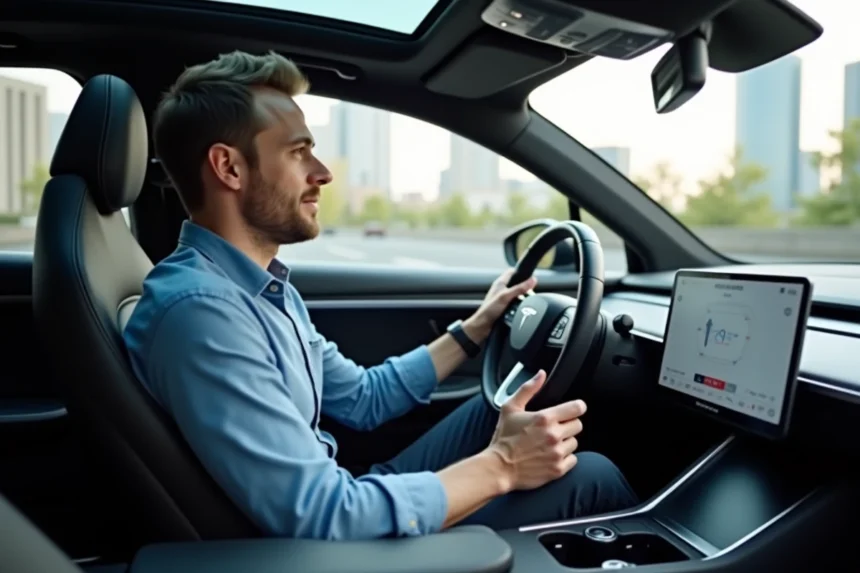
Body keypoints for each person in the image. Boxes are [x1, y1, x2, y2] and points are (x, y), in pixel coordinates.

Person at [123, 50, 638, 541]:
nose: (322, 173)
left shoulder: (259, 289)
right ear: (229, 168)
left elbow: (364, 398)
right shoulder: (204, 313)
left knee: (501, 406)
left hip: (340, 500)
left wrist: (476, 328)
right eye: (298, 152)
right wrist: (503, 466)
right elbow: (324, 515)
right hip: (319, 546)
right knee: (590, 477)